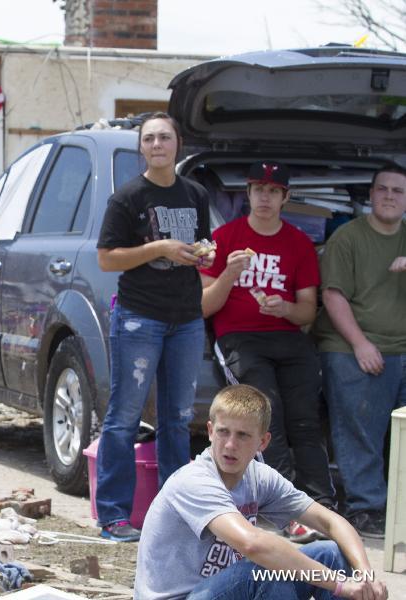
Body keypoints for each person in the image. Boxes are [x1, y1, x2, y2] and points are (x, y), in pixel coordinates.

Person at [135, 384, 388, 600]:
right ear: (210, 431)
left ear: (263, 442)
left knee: (330, 553)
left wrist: (365, 578)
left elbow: (331, 522)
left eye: (243, 435)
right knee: (266, 569)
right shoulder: (194, 481)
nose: (230, 445)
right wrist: (340, 585)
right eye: (223, 432)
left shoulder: (260, 476)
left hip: (224, 590)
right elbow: (254, 544)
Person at [199, 161, 336, 543]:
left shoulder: (298, 243)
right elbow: (204, 306)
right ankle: (286, 512)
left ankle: (322, 509)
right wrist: (229, 272)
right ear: (247, 193)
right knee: (268, 417)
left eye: (273, 191)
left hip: (288, 337)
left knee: (306, 420)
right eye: (258, 189)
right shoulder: (225, 237)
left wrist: (285, 308)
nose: (264, 197)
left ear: (285, 197)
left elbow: (308, 310)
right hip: (239, 337)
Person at [95, 112, 214, 542]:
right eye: (150, 139)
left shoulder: (196, 194)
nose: (158, 144)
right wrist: (158, 247)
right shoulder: (127, 198)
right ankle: (112, 515)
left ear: (178, 143)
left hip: (185, 317)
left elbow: (201, 247)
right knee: (124, 417)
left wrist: (202, 255)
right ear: (141, 148)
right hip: (138, 316)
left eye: (165, 137)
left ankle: (175, 515)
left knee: (178, 420)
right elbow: (107, 258)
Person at [311, 165, 406, 539]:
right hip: (353, 348)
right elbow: (332, 295)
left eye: (398, 191)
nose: (388, 196)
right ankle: (366, 509)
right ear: (370, 195)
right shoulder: (348, 237)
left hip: (402, 350)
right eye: (382, 189)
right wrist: (361, 344)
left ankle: (397, 508)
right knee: (360, 432)